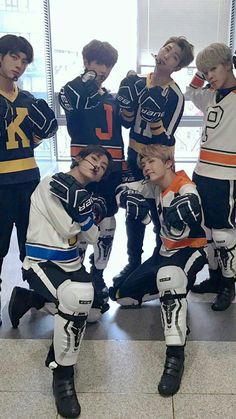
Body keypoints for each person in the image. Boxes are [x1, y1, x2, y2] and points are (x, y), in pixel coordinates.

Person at [9, 145, 112, 418]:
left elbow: (91, 237)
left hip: (69, 264)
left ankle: (29, 299)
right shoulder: (52, 183)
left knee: (93, 312)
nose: (97, 166)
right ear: (79, 159)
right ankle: (62, 374)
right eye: (94, 159)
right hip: (41, 263)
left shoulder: (84, 195)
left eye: (103, 167)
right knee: (76, 298)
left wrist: (88, 215)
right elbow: (69, 228)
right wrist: (87, 218)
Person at [109, 144, 207, 396]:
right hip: (163, 254)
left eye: (151, 162)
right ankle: (171, 294)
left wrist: (185, 211)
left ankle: (175, 356)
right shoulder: (151, 186)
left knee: (170, 278)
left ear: (168, 163)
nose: (146, 167)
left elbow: (192, 204)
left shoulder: (185, 186)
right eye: (143, 164)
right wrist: (125, 199)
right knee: (122, 296)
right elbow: (120, 191)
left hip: (190, 251)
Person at [113, 36, 194, 286]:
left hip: (159, 160)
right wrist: (126, 107)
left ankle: (161, 261)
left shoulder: (175, 96)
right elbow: (126, 122)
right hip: (132, 155)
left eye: (174, 56)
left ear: (177, 67)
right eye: (167, 49)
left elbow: (166, 137)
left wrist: (154, 119)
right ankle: (133, 263)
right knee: (134, 210)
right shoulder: (137, 82)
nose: (168, 54)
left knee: (160, 213)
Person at [58, 39, 125, 319]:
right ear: (86, 61)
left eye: (107, 64)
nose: (102, 69)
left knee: (108, 220)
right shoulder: (72, 91)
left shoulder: (111, 97)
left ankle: (98, 276)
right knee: (81, 219)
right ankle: (80, 272)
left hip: (111, 168)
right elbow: (69, 102)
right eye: (97, 62)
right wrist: (82, 82)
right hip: (84, 167)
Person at [0, 34, 58, 325]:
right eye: (14, 57)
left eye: (24, 61)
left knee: (31, 246)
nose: (19, 65)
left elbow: (29, 142)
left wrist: (43, 133)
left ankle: (34, 296)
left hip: (27, 181)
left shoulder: (28, 100)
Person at [185, 43, 236, 310]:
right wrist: (199, 70)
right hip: (202, 171)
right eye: (205, 73)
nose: (209, 77)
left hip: (226, 175)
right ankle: (215, 277)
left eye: (213, 69)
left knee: (223, 233)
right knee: (205, 232)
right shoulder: (209, 95)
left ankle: (229, 283)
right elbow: (190, 91)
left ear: (228, 63)